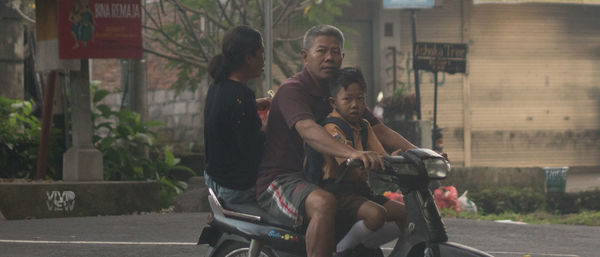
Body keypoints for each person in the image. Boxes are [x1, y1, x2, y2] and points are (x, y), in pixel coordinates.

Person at [256, 24, 417, 257]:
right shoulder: (293, 90)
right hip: (283, 180)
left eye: (335, 52)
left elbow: (378, 129)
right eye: (321, 51)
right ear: (305, 56)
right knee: (324, 203)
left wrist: (421, 153)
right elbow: (308, 129)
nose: (329, 57)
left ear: (342, 57)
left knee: (406, 214)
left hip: (327, 181)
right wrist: (351, 153)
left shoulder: (340, 92)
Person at [317, 67, 406, 255]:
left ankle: (367, 246)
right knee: (376, 215)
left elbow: (380, 155)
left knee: (408, 214)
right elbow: (346, 157)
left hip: (362, 191)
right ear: (334, 102)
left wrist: (394, 158)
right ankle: (341, 250)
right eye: (348, 99)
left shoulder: (364, 126)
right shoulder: (332, 127)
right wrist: (362, 157)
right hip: (339, 193)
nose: (355, 105)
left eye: (360, 98)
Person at [204, 25, 270, 204]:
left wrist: (253, 105)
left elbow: (225, 117)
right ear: (249, 57)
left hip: (214, 179)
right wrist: (269, 123)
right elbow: (252, 147)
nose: (264, 60)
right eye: (261, 53)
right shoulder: (242, 95)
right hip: (236, 186)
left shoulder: (217, 86)